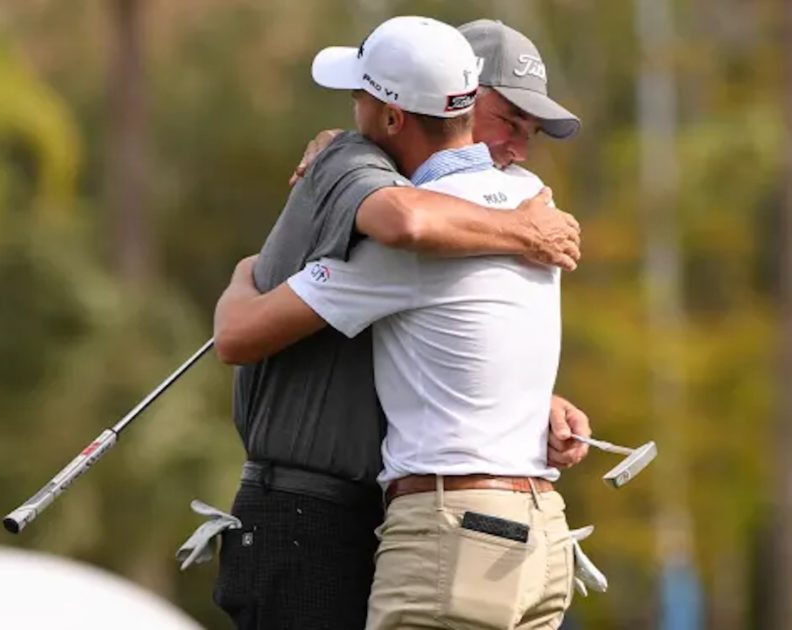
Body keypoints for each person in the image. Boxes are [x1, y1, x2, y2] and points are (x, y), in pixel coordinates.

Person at [211, 17, 589, 630]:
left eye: (362, 98)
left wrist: (242, 273)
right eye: (512, 123)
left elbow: (238, 336)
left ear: (392, 117)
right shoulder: (534, 200)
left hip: (456, 536)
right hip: (541, 535)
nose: (354, 113)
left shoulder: (412, 246)